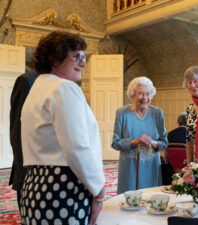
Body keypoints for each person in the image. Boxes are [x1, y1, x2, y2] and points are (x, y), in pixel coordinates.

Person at [20, 31, 106, 225]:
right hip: (63, 186)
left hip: (35, 184)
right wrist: (99, 190)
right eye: (77, 56)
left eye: (84, 57)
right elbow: (76, 146)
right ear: (55, 58)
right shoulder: (64, 88)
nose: (83, 63)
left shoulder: (37, 88)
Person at [112, 76, 168, 193]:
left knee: (151, 201)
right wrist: (134, 141)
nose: (145, 98)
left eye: (148, 94)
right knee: (129, 202)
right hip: (129, 167)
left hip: (151, 166)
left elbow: (164, 143)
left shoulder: (157, 113)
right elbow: (115, 143)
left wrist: (153, 143)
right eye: (141, 94)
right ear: (133, 94)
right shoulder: (122, 113)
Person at [9, 70, 38, 213]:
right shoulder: (27, 81)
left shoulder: (64, 83)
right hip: (29, 168)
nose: (81, 63)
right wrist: (24, 173)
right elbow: (17, 130)